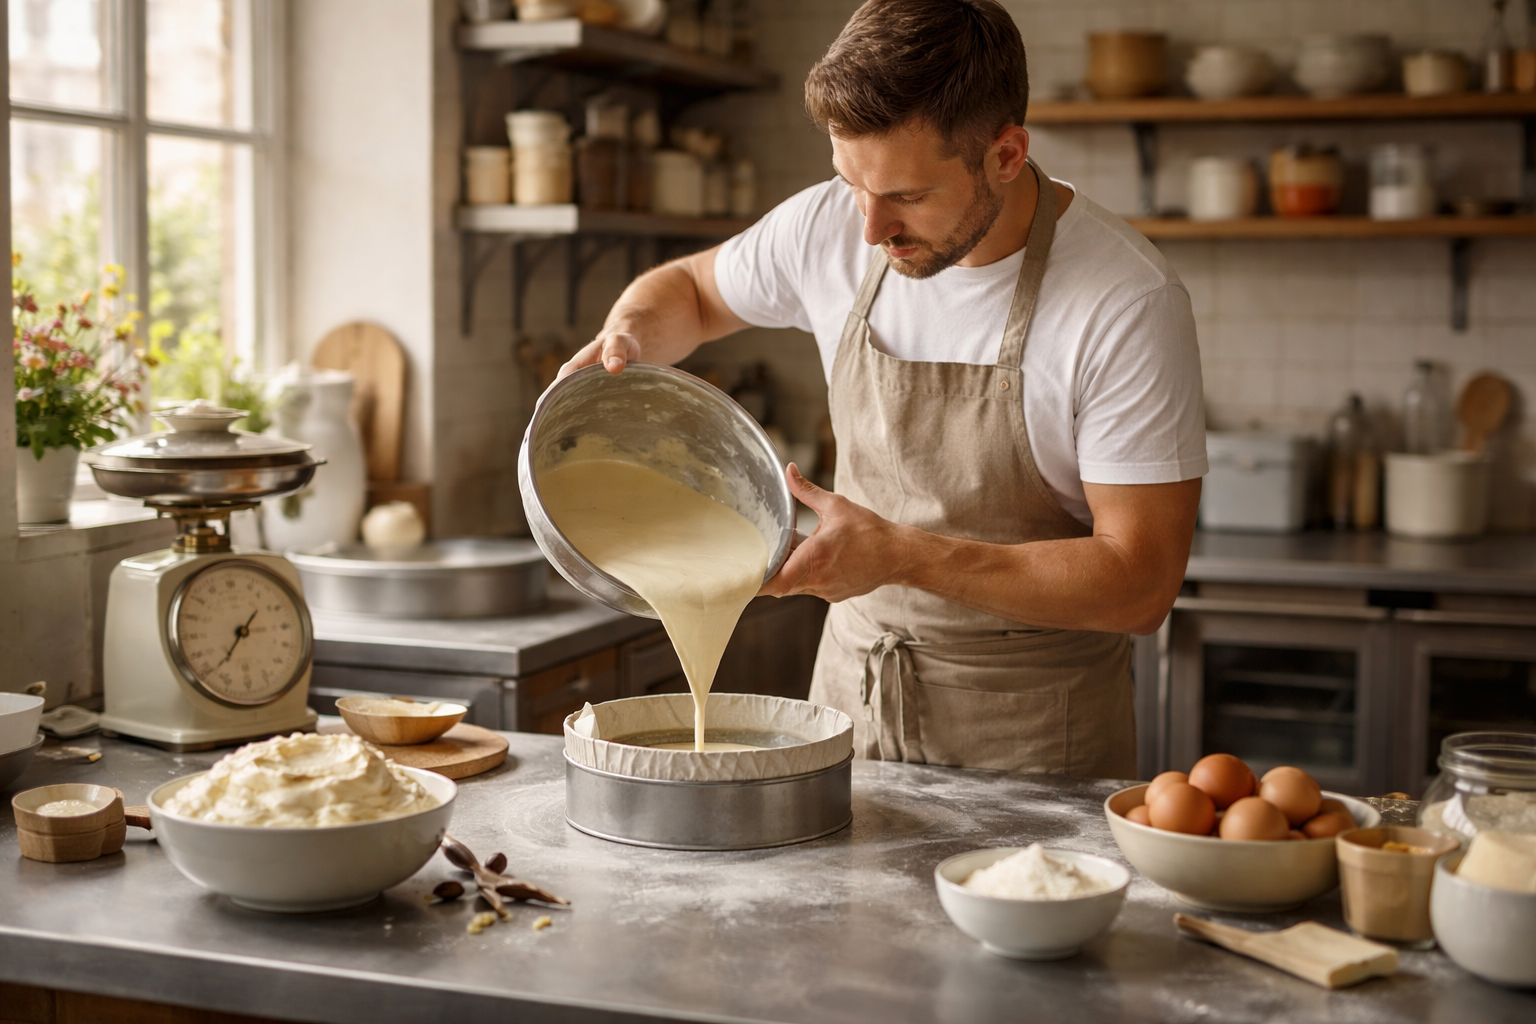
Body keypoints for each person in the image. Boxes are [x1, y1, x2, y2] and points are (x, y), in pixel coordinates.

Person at [559, 0, 1206, 777]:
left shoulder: (1124, 302)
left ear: (1006, 154)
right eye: (850, 183)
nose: (869, 227)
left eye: (906, 195)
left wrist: (902, 555)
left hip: (1033, 739)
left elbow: (1140, 584)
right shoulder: (832, 225)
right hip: (851, 712)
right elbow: (692, 291)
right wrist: (629, 332)